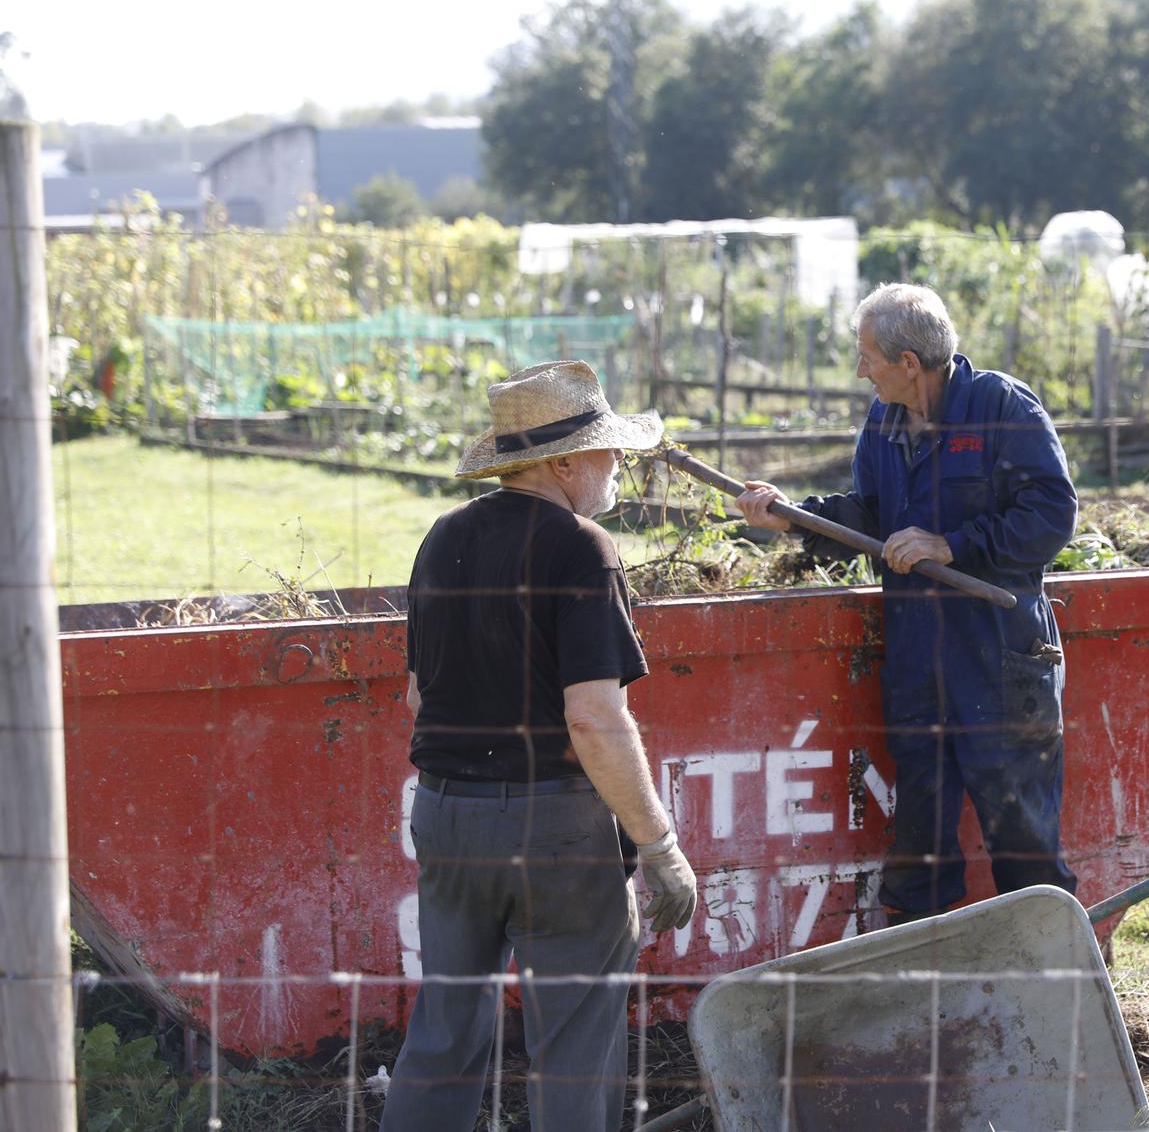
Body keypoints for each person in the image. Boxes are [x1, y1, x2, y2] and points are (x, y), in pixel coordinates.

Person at [382, 360, 697, 1132]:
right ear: (562, 463)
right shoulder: (581, 547)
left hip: (448, 816)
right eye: (604, 448)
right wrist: (660, 844)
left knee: (446, 1030)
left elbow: (419, 695)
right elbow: (594, 717)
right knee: (574, 1048)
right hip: (556, 828)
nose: (616, 463)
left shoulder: (442, 538)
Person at [737, 283, 1080, 922]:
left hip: (999, 657)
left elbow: (1052, 515)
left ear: (908, 364)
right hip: (920, 658)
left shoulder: (1002, 409)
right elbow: (870, 515)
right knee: (920, 833)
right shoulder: (885, 421)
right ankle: (927, 987)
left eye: (866, 355)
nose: (859, 369)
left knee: (1022, 832)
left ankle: (1054, 979)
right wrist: (793, 518)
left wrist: (954, 546)